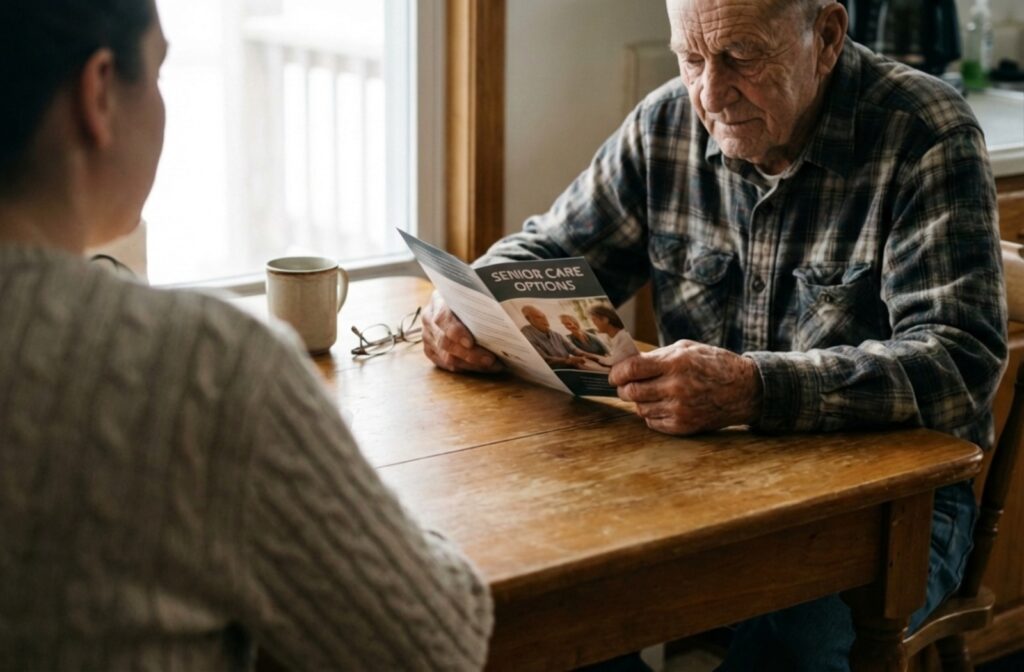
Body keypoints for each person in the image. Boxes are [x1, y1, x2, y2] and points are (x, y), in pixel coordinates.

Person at [421, 0, 1007, 668]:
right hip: (706, 491)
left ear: (827, 36)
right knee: (545, 610)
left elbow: (957, 365)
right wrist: (473, 298)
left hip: (895, 507)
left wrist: (753, 390)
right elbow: (551, 253)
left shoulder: (924, 131)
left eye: (741, 57)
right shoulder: (665, 123)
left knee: (790, 650)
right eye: (691, 57)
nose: (711, 92)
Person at [0, 1, 492, 670]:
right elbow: (437, 646)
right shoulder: (205, 371)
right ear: (99, 92)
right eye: (161, 72)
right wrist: (359, 507)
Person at [520, 304, 590, 369]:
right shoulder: (526, 334)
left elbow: (572, 349)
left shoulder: (556, 334)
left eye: (544, 316)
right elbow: (545, 359)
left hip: (569, 367)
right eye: (539, 317)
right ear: (528, 319)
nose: (545, 320)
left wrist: (587, 355)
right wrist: (567, 360)